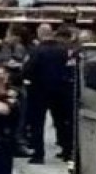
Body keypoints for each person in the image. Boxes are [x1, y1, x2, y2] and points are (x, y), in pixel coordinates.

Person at [23, 25, 74, 163]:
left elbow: (28, 69)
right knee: (62, 122)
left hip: (39, 91)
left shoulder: (36, 51)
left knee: (37, 123)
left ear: (39, 34)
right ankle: (67, 151)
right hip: (61, 90)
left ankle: (39, 154)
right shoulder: (64, 50)